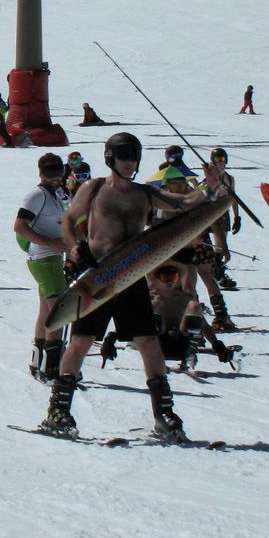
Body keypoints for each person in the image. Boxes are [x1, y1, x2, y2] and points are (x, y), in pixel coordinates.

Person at [40, 132, 228, 440]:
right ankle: (58, 411)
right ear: (110, 158)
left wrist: (210, 184)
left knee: (148, 344)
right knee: (81, 343)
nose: (130, 162)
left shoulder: (145, 194)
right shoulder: (93, 188)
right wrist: (74, 247)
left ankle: (164, 414)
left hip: (132, 277)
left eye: (134, 157)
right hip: (98, 278)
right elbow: (69, 219)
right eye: (124, 156)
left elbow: (184, 204)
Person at [14, 154, 69, 382]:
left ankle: (38, 360)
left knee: (46, 310)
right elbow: (19, 226)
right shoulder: (36, 196)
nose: (55, 177)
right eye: (50, 172)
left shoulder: (56, 194)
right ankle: (52, 366)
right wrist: (50, 244)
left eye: (58, 171)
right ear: (41, 173)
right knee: (59, 311)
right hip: (43, 257)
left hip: (52, 258)